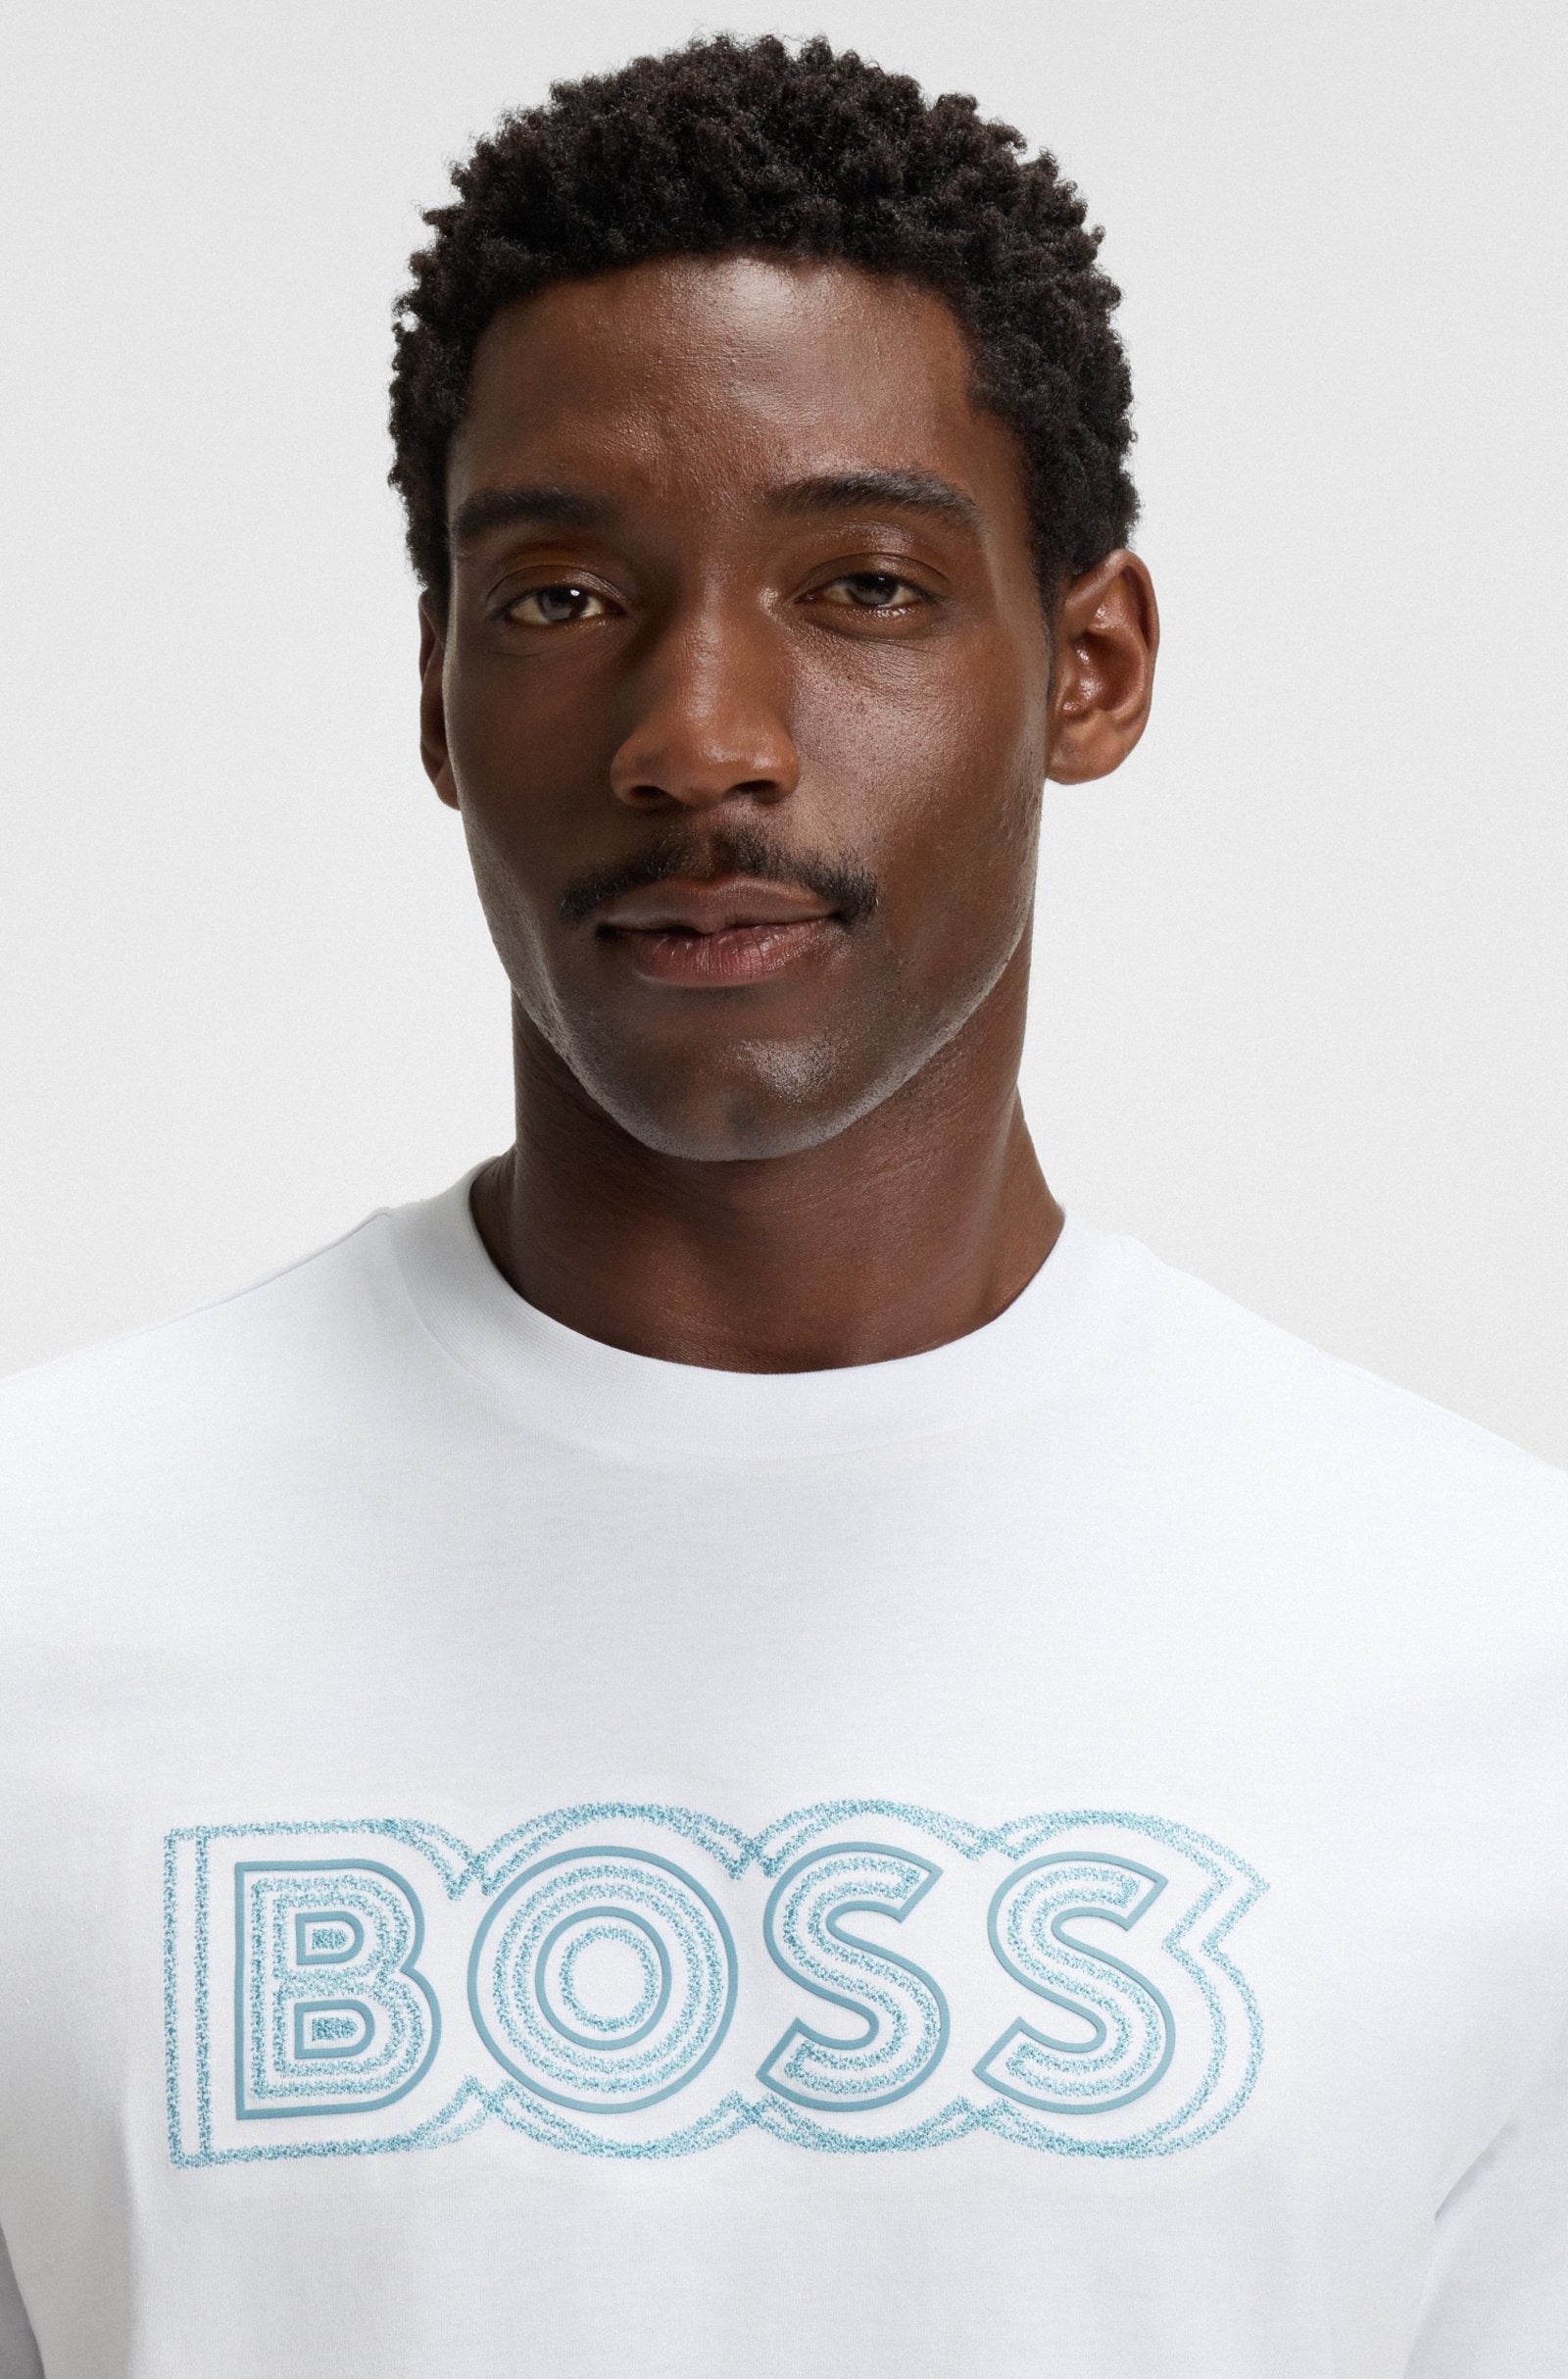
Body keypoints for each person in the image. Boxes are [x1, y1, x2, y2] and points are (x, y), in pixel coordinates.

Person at [0, 31, 1562, 2378]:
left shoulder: (1490, 1652)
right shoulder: (42, 1588)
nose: (698, 737)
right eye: (558, 596)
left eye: (859, 584)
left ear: (1090, 666)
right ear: (433, 691)